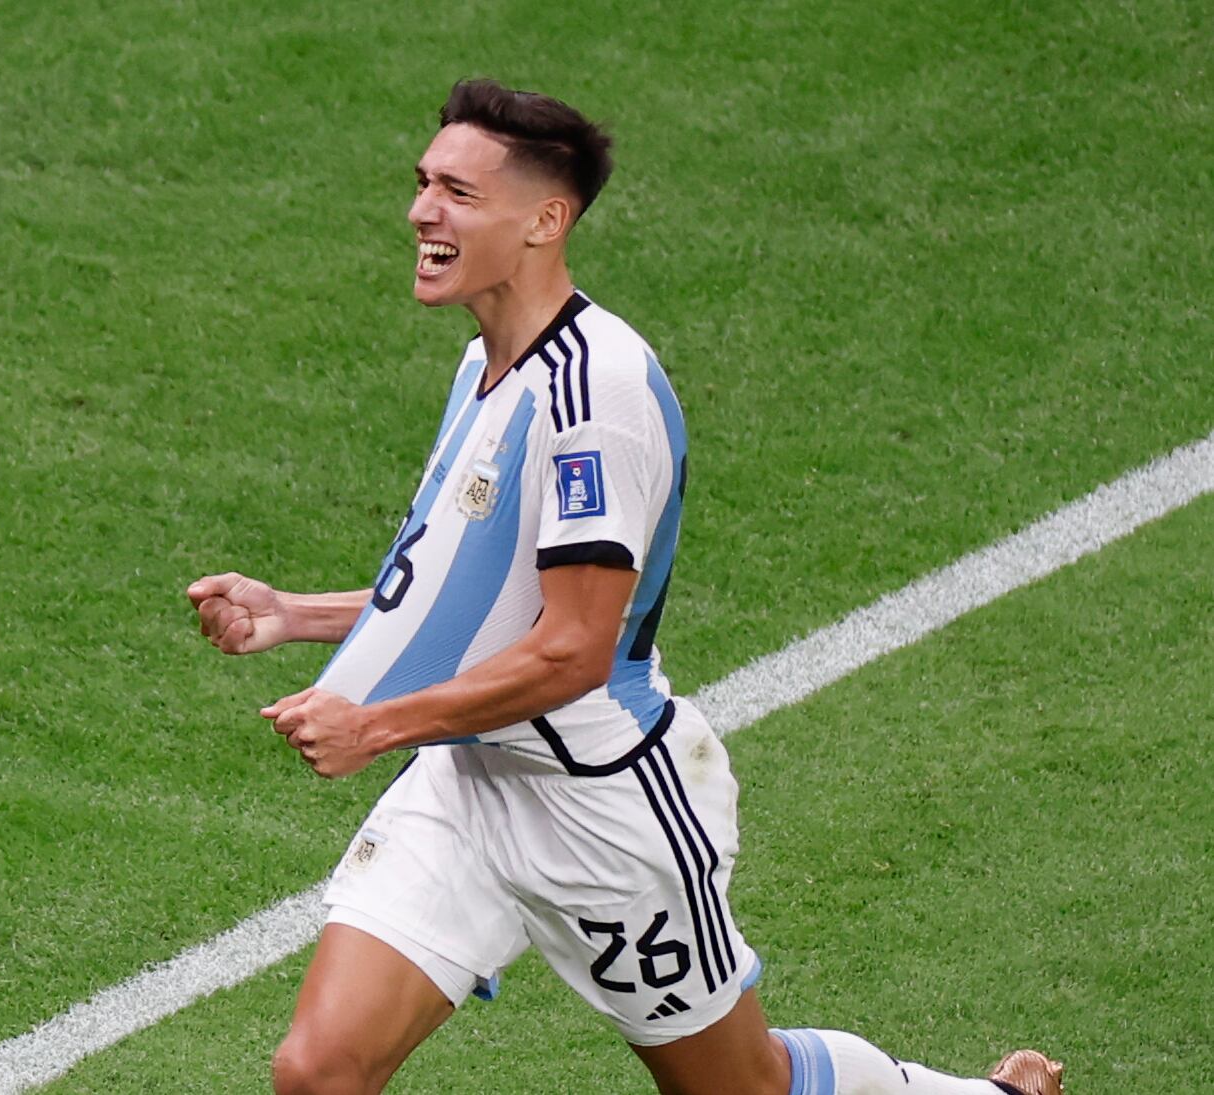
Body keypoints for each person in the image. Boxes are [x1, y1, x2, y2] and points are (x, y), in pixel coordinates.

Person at [187, 79, 1063, 1095]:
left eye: (457, 192)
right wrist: (299, 615)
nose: (421, 211)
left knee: (741, 1089)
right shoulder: (488, 365)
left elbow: (574, 650)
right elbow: (474, 592)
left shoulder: (590, 395)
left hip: (601, 808)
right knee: (318, 1072)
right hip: (471, 787)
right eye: (423, 183)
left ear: (545, 220)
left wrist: (378, 726)